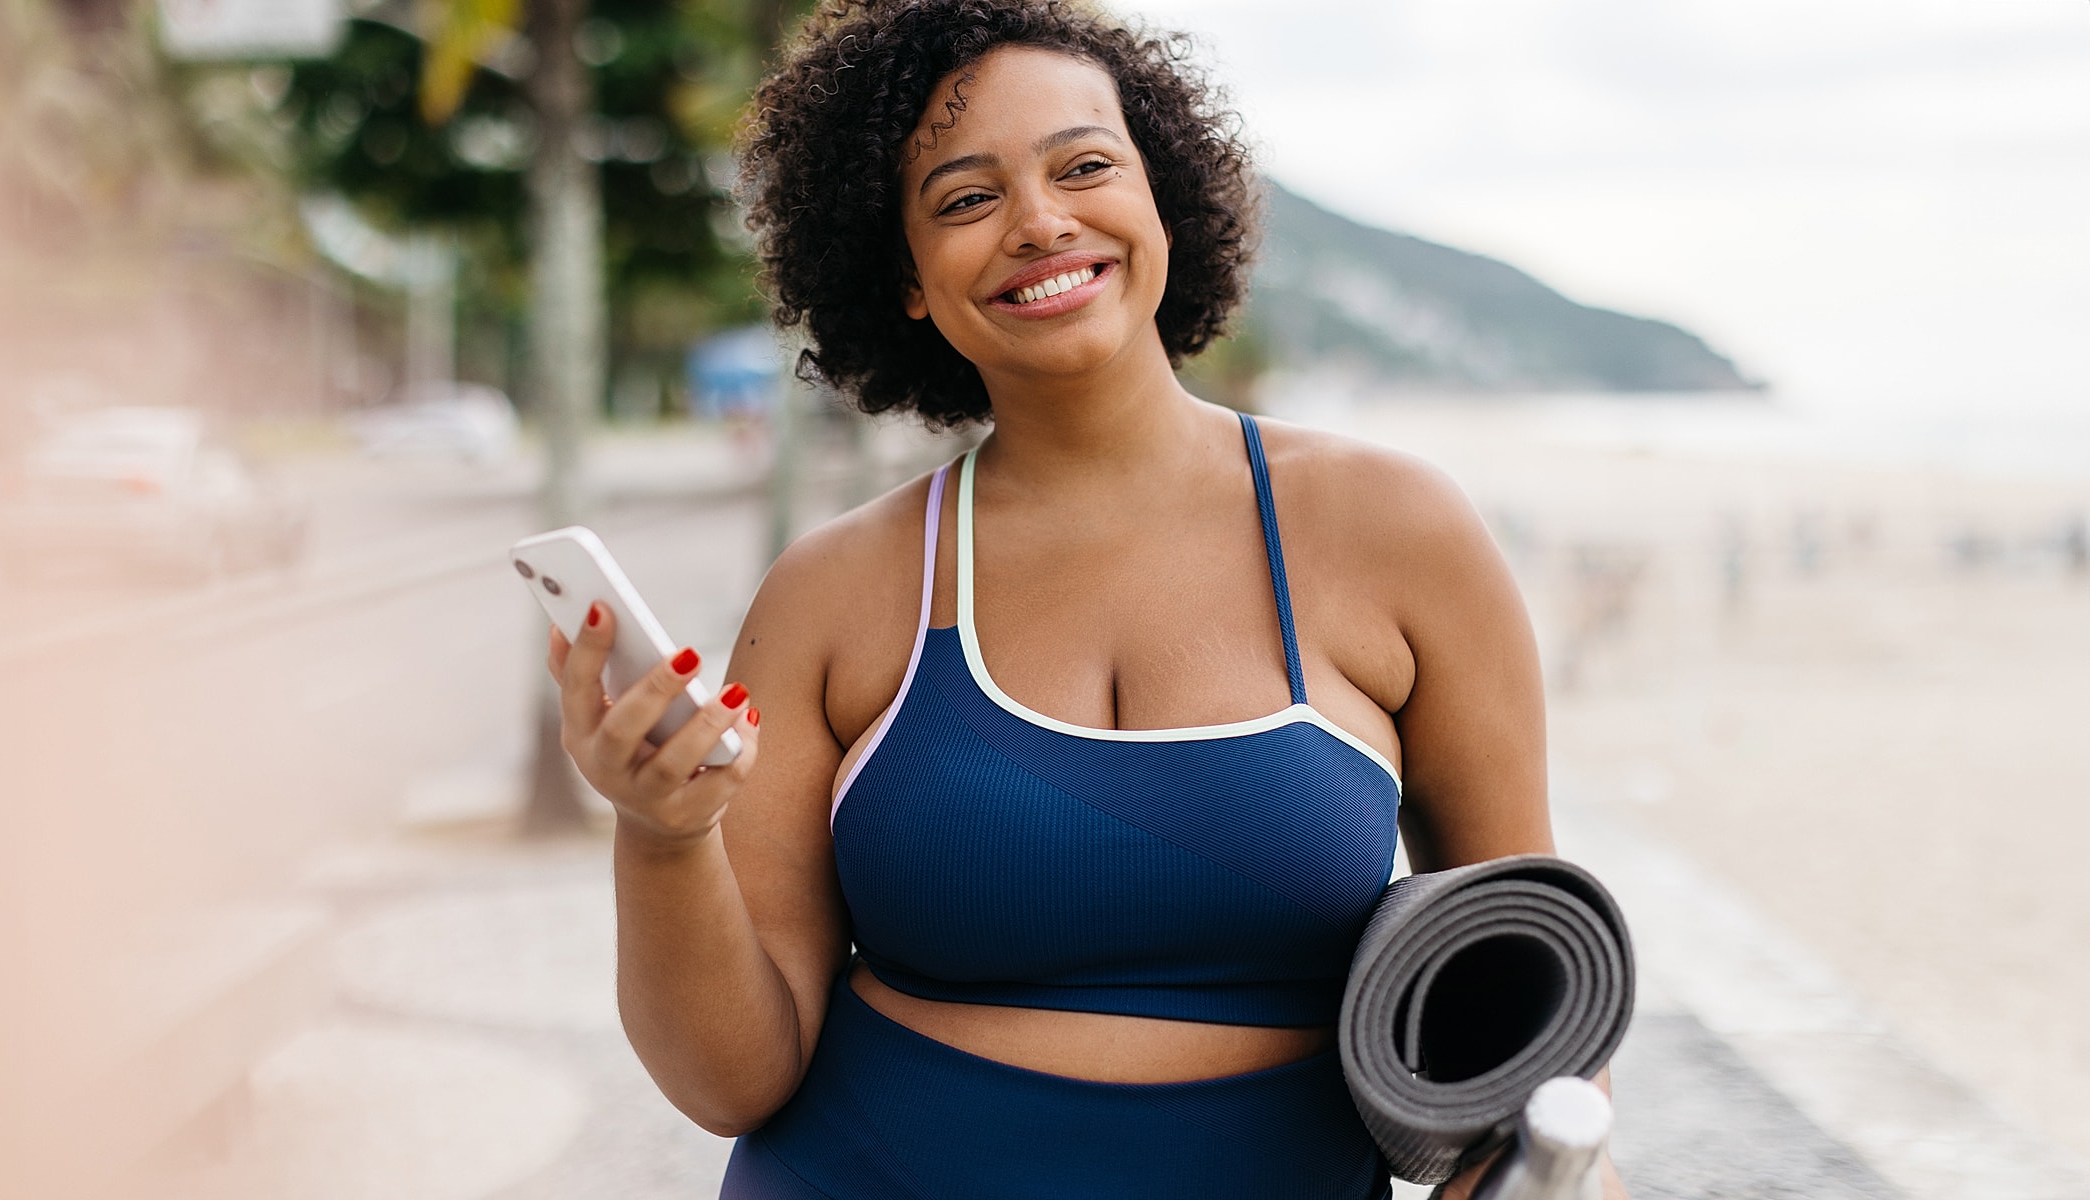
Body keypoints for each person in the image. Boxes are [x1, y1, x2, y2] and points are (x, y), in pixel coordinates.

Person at [543, 1, 1625, 1195]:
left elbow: (1538, 992)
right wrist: (662, 835)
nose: (1039, 222)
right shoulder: (832, 593)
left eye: (1085, 167)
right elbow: (731, 1082)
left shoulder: (1395, 530)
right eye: (965, 199)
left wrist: (1551, 1173)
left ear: (1159, 196)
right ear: (904, 278)